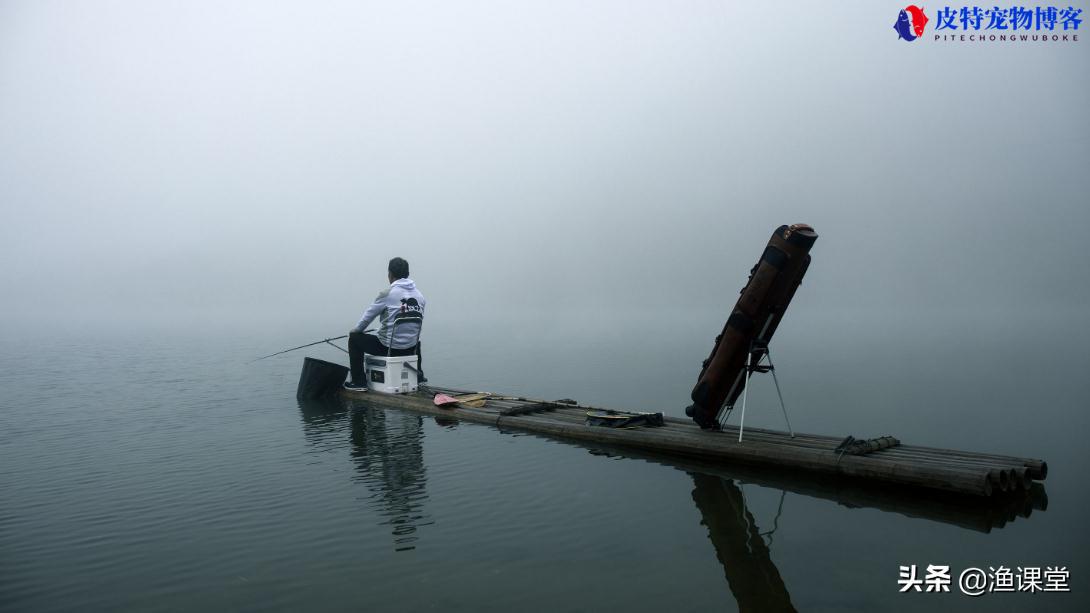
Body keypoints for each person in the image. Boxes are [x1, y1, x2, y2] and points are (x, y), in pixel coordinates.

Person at [344, 257, 426, 390]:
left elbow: (366, 319)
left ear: (390, 274)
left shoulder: (387, 294)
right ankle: (419, 377)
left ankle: (359, 382)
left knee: (354, 339)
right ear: (407, 274)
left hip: (389, 349)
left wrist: (356, 331)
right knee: (417, 338)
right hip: (411, 349)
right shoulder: (420, 296)